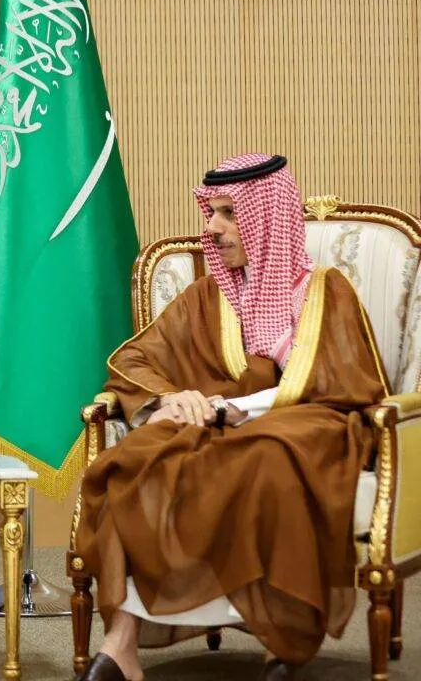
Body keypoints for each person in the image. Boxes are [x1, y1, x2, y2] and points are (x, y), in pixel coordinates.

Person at [74, 154, 388, 681]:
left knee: (267, 455)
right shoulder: (206, 297)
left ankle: (280, 642)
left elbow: (351, 387)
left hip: (310, 425)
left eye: (228, 214)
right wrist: (174, 398)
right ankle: (122, 643)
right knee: (135, 457)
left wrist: (236, 407)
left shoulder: (326, 292)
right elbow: (133, 362)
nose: (212, 229)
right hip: (217, 429)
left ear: (265, 219)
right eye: (211, 212)